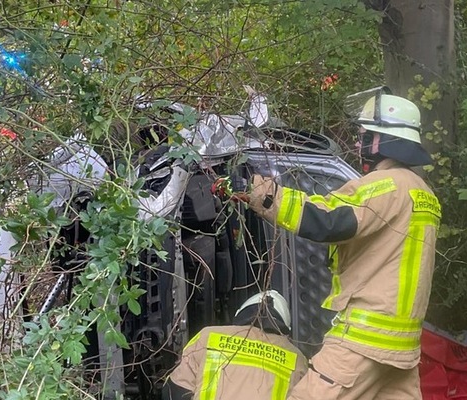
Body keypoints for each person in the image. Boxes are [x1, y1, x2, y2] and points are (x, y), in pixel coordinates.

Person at [236, 87, 441, 399]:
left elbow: (326, 220)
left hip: (363, 341)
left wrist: (259, 191)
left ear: (383, 139)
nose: (358, 143)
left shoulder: (384, 186)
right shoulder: (423, 193)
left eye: (364, 134)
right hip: (400, 349)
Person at [163, 290, 309, 400]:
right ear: (284, 328)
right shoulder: (297, 359)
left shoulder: (207, 337)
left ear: (240, 314)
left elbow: (173, 391)